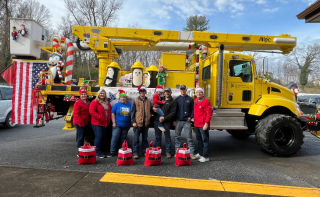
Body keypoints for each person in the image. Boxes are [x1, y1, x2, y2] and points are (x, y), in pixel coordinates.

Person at [153, 87, 177, 158]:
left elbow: (173, 113)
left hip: (166, 121)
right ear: (164, 92)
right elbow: (154, 105)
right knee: (158, 137)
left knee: (167, 137)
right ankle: (157, 151)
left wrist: (165, 118)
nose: (167, 93)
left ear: (171, 93)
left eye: (168, 92)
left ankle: (168, 152)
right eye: (166, 92)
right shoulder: (160, 98)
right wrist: (153, 108)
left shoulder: (173, 102)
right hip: (157, 120)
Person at [174, 85, 196, 159]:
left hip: (187, 121)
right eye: (181, 89)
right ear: (180, 90)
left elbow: (193, 109)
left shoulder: (190, 99)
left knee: (189, 137)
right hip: (178, 121)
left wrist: (191, 117)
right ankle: (177, 152)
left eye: (184, 89)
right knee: (177, 137)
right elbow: (174, 110)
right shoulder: (177, 99)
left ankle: (192, 153)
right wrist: (174, 120)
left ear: (186, 90)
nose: (183, 91)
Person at [108, 90, 131, 157]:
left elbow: (131, 114)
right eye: (122, 97)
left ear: (126, 98)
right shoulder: (117, 105)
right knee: (115, 137)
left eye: (124, 97)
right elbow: (113, 113)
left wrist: (131, 122)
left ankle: (121, 151)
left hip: (126, 125)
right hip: (117, 125)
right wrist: (114, 122)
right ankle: (112, 151)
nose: (123, 98)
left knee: (123, 138)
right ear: (119, 98)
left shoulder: (129, 105)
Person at [131, 85, 152, 159]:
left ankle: (144, 152)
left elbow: (151, 110)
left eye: (143, 91)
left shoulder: (148, 101)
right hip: (137, 123)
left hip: (146, 123)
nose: (142, 93)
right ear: (139, 92)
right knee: (136, 139)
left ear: (145, 92)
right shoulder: (136, 100)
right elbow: (133, 112)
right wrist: (133, 121)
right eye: (141, 91)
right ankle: (135, 153)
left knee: (145, 139)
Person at [89, 89, 111, 158]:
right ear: (98, 94)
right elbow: (91, 111)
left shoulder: (107, 102)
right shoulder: (94, 102)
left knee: (101, 137)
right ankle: (97, 152)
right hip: (97, 123)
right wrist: (99, 117)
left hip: (104, 123)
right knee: (98, 137)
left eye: (103, 93)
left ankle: (100, 151)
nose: (102, 95)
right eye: (101, 93)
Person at [193, 87, 213, 162]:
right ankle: (201, 154)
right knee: (199, 140)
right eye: (197, 92)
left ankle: (205, 156)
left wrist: (206, 124)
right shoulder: (195, 101)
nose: (198, 94)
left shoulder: (206, 102)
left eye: (200, 92)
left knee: (205, 140)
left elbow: (209, 113)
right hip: (197, 124)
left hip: (203, 124)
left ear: (203, 93)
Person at [73, 87, 91, 156]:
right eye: (82, 94)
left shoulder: (89, 103)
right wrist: (81, 123)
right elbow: (76, 114)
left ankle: (83, 149)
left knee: (84, 136)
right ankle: (79, 151)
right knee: (80, 137)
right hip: (79, 122)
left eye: (85, 94)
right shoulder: (77, 103)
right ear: (80, 95)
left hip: (86, 123)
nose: (84, 95)